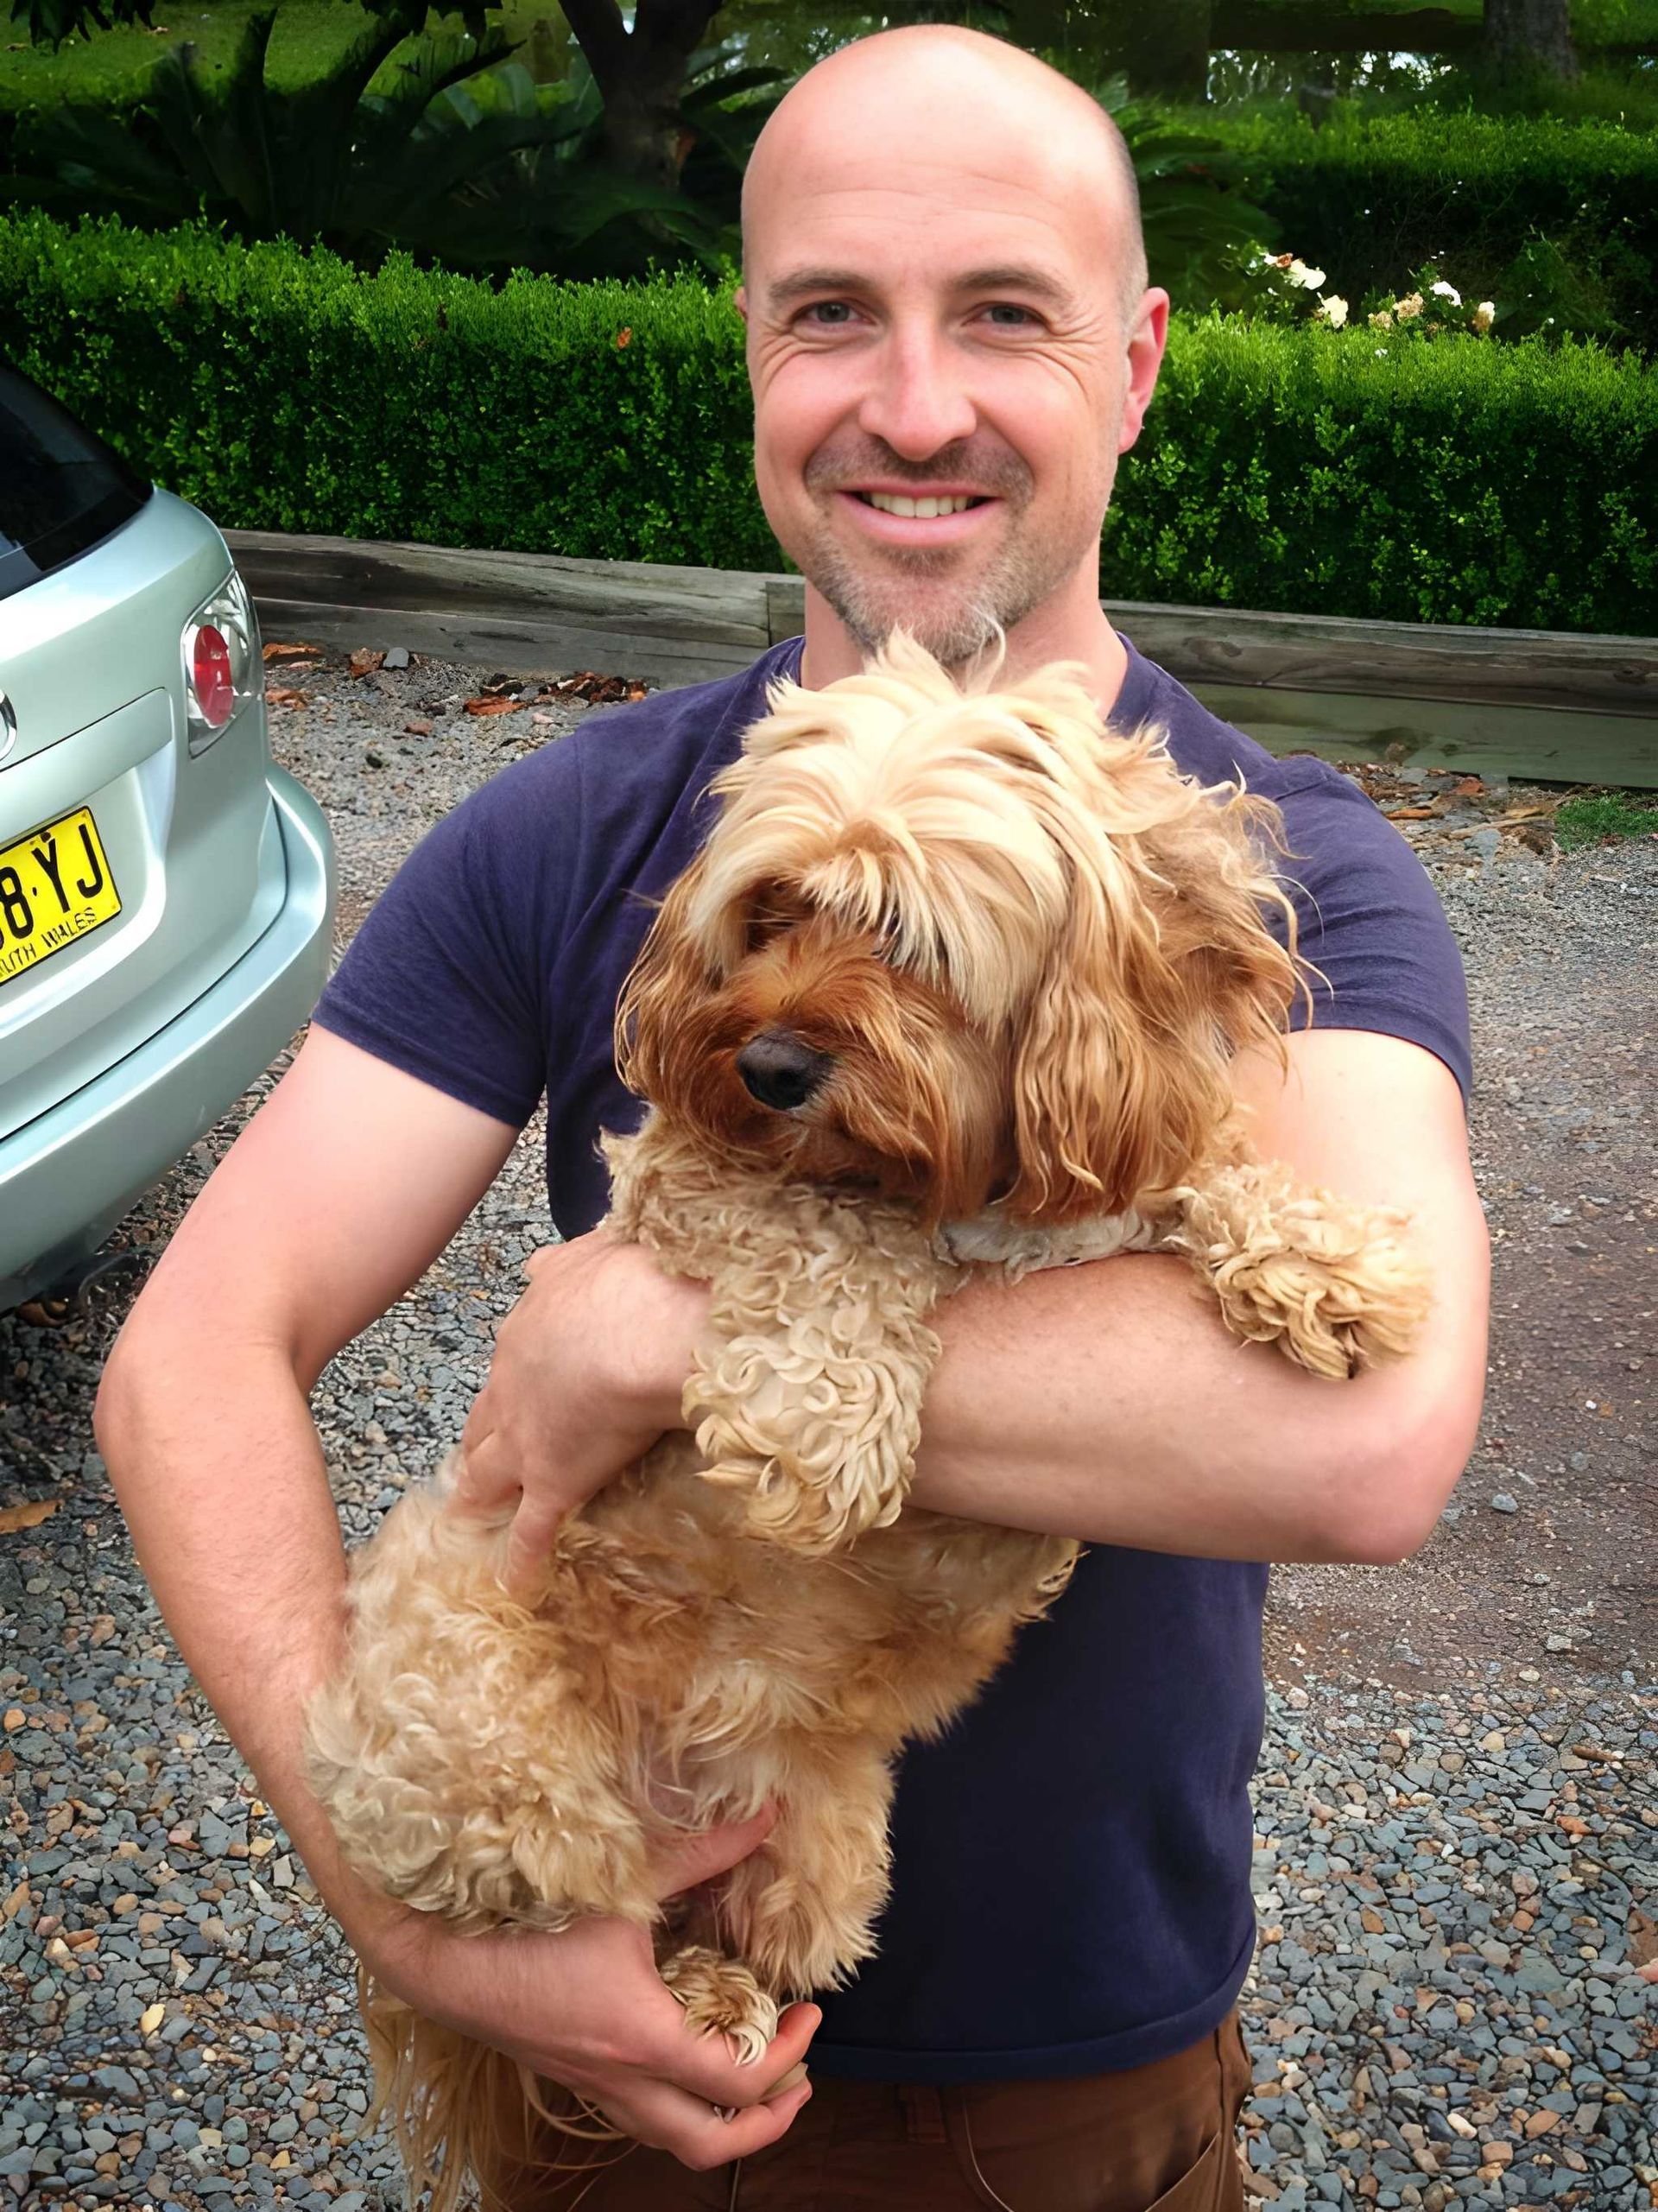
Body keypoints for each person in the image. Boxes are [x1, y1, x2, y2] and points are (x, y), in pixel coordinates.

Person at [96, 22, 1490, 2209]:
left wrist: (656, 1334)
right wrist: (404, 1889)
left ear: (1135, 364)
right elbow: (196, 1343)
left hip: (1062, 2085)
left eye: (1003, 316)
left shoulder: (1290, 874)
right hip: (595, 2013)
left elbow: (1363, 1432)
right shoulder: (576, 830)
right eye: (834, 311)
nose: (913, 406)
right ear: (749, 350)